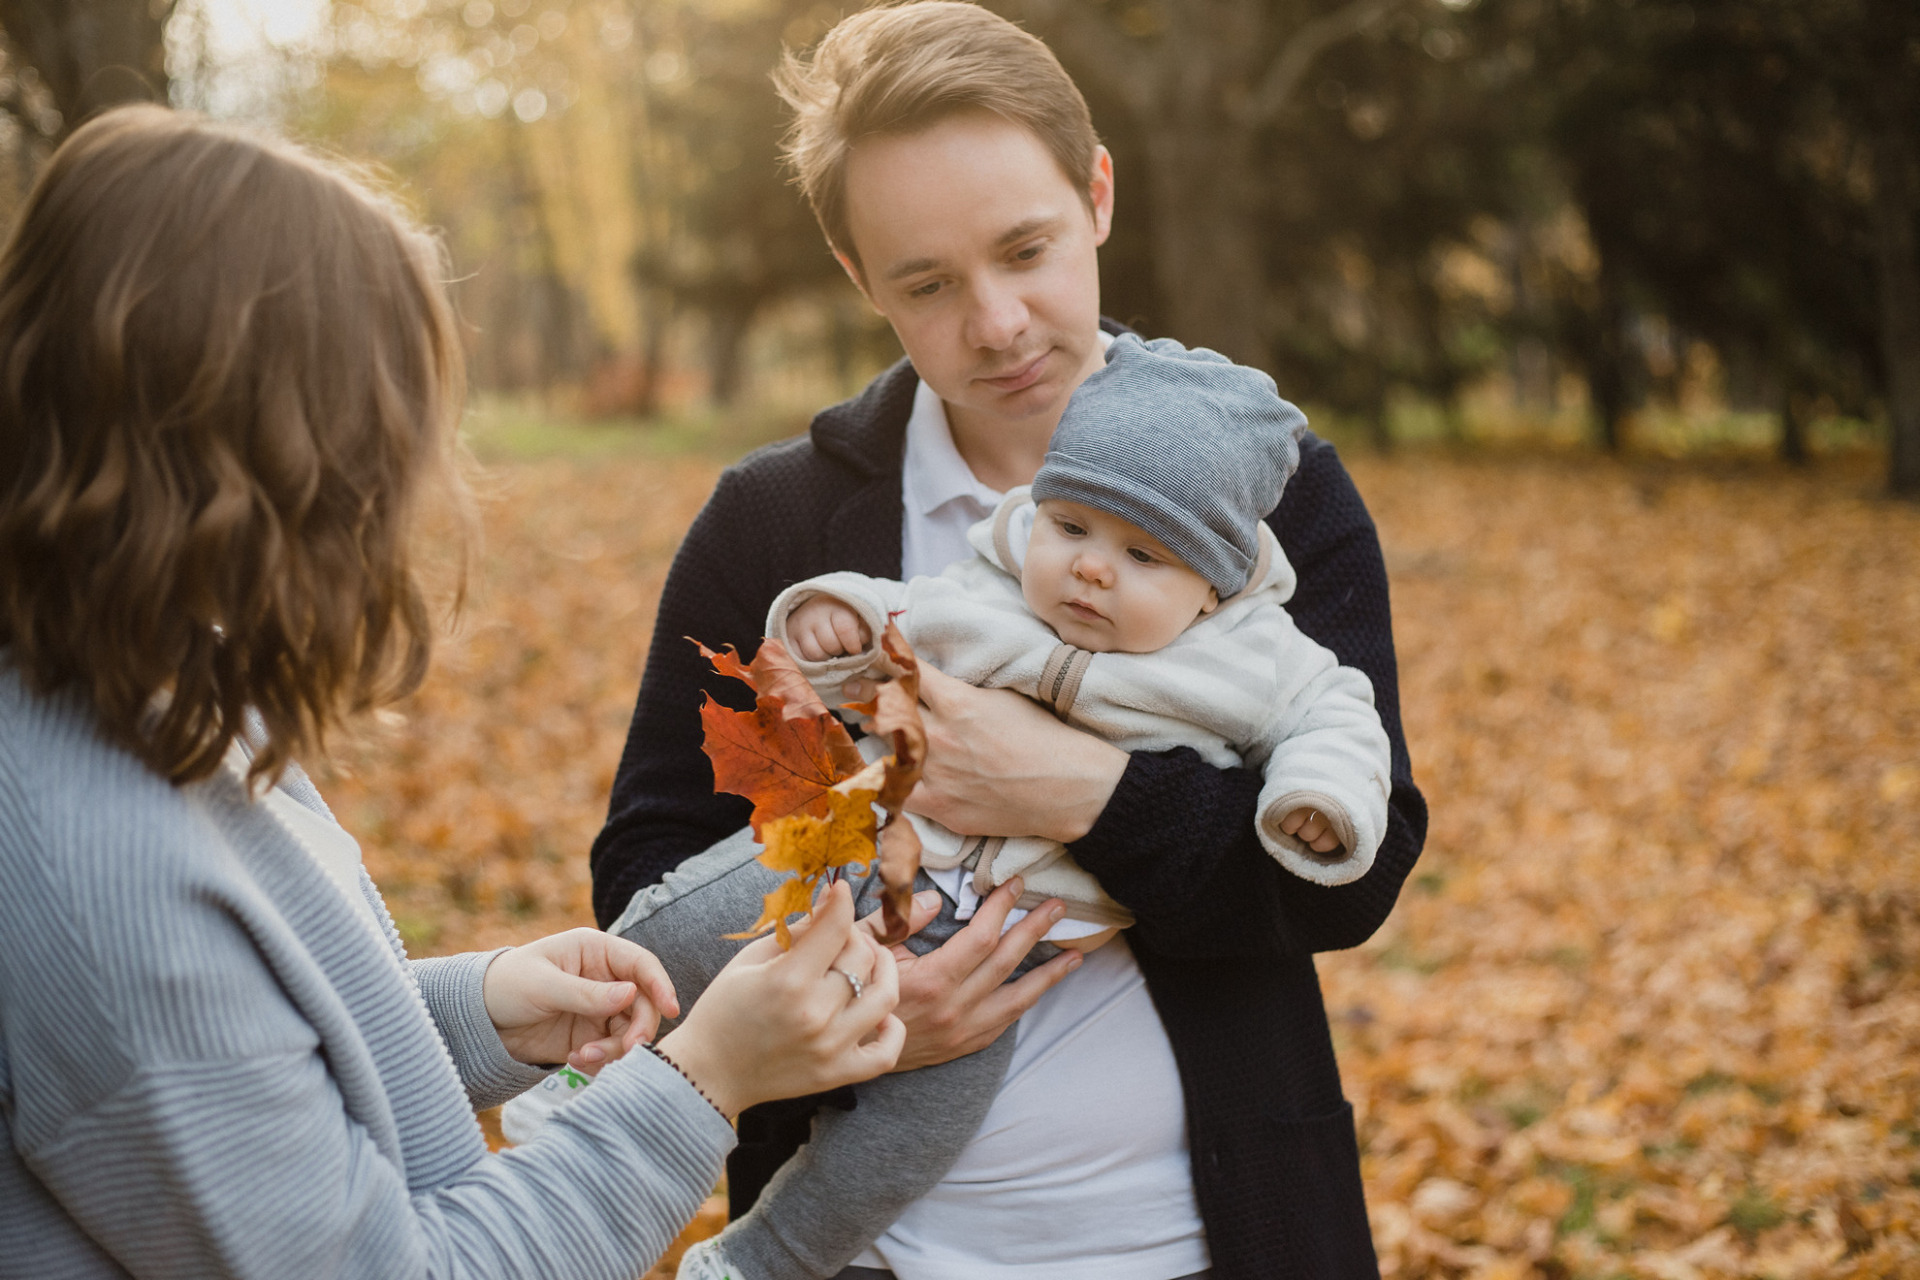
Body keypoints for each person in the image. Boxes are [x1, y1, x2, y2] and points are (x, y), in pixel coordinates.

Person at [589, 4, 1430, 1278]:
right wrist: (855, 1002)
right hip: (865, 1247)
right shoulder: (777, 526)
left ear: (1096, 194)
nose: (997, 322)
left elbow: (1353, 871)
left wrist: (1080, 791)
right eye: (927, 282)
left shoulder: (1272, 494)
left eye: (1025, 249)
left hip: (1215, 1237)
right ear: (856, 274)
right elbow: (644, 867)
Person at [0, 105, 903, 1280]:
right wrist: (707, 1077)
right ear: (255, 449)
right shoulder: (94, 858)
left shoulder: (141, 673)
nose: (408, 488)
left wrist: (475, 1012)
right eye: (381, 434)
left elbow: (236, 1087)